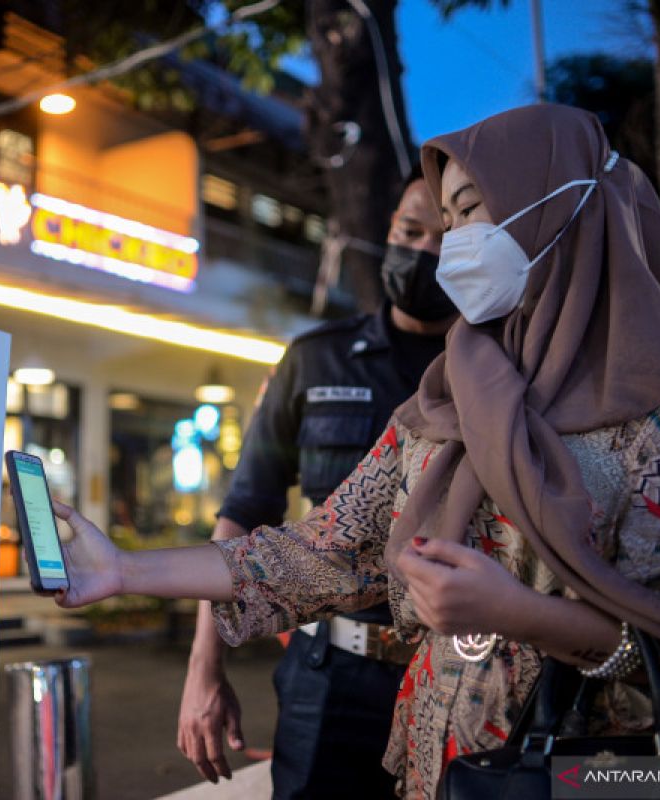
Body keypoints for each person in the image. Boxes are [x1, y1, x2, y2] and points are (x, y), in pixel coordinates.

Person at [50, 105, 660, 797]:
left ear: (557, 209)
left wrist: (520, 614)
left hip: (589, 776)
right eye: (442, 218)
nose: (453, 241)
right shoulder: (447, 398)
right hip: (441, 773)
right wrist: (122, 569)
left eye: (468, 211)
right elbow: (324, 549)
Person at [177, 173, 454, 796]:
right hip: (330, 677)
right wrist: (204, 670)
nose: (425, 253)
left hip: (454, 674)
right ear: (388, 233)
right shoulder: (315, 359)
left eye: (447, 237)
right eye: (411, 232)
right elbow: (244, 512)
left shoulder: (491, 373)